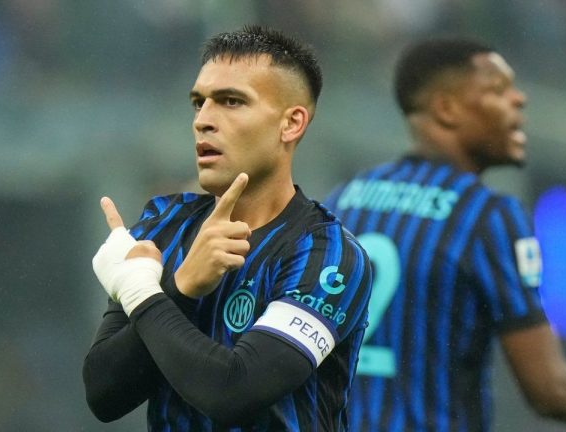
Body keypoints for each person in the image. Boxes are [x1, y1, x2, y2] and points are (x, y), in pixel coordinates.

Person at [82, 25, 372, 431]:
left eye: (231, 102)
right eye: (198, 103)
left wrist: (144, 292)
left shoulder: (328, 254)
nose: (203, 120)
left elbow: (234, 392)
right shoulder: (162, 225)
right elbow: (104, 394)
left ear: (291, 123)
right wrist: (180, 288)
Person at [322, 37, 566, 431]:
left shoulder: (344, 200)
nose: (519, 100)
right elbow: (552, 391)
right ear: (447, 109)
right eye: (498, 89)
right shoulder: (488, 217)